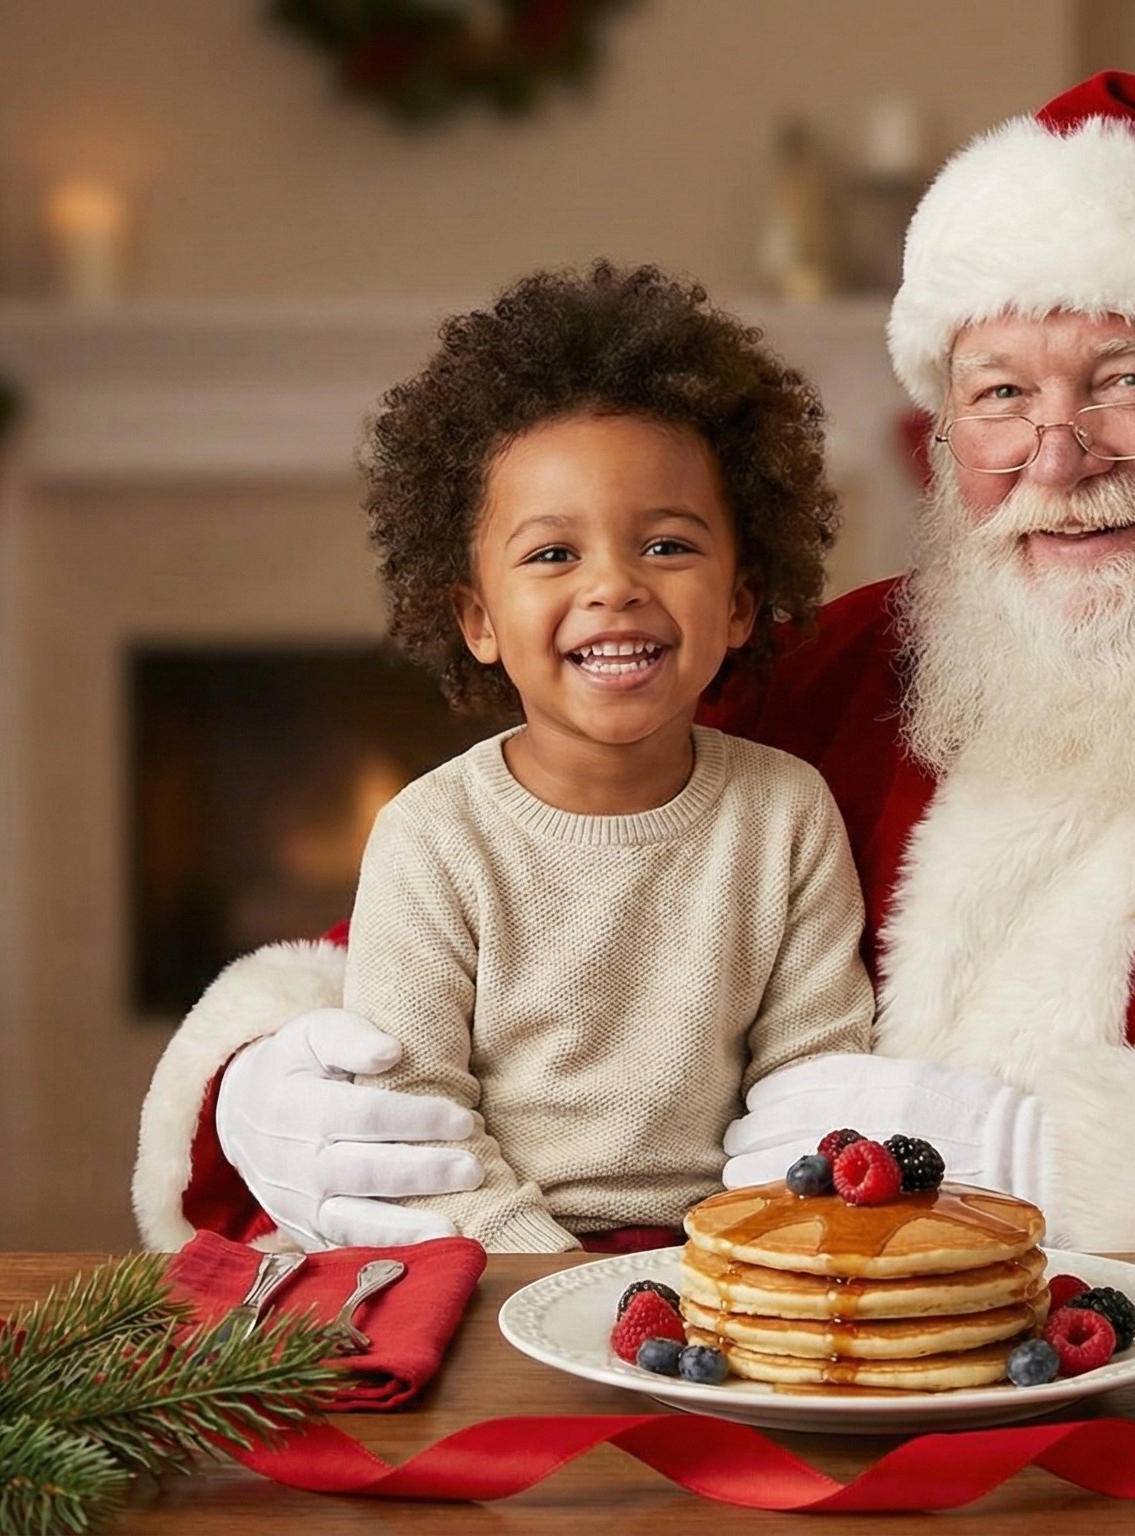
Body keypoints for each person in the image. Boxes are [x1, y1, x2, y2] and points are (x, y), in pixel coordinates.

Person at [133, 73, 1135, 1255]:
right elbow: (452, 911)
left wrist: (1058, 1155)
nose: (1056, 454)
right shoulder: (836, 669)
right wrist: (262, 1082)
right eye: (999, 391)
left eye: (1131, 380)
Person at [268, 264, 875, 1252]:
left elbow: (814, 1084)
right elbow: (418, 1120)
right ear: (474, 617)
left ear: (738, 601)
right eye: (553, 554)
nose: (613, 588)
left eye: (667, 546)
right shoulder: (432, 835)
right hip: (481, 1260)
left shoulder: (784, 814)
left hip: (710, 1269)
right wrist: (547, 1281)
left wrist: (735, 1271)